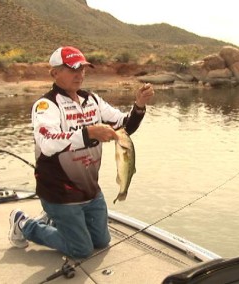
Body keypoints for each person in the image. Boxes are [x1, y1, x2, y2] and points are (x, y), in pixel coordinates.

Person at [8, 46, 154, 259]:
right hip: (59, 193)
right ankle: (24, 224)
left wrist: (139, 105)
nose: (80, 74)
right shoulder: (45, 105)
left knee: (102, 242)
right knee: (82, 250)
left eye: (83, 69)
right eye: (72, 69)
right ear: (55, 72)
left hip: (91, 192)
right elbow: (48, 143)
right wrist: (89, 132)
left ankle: (55, 220)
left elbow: (124, 127)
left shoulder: (92, 100)